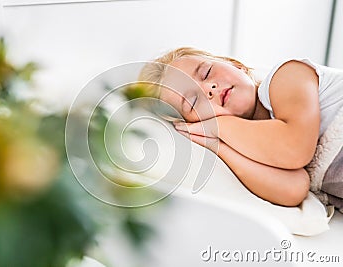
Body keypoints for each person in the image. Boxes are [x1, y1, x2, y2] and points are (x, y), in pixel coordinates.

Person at [138, 47, 343, 207]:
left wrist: (219, 124)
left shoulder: (286, 76)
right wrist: (218, 145)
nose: (210, 89)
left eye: (207, 72)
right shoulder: (248, 143)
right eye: (193, 101)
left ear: (236, 65)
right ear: (196, 123)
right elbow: (294, 189)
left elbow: (294, 147)